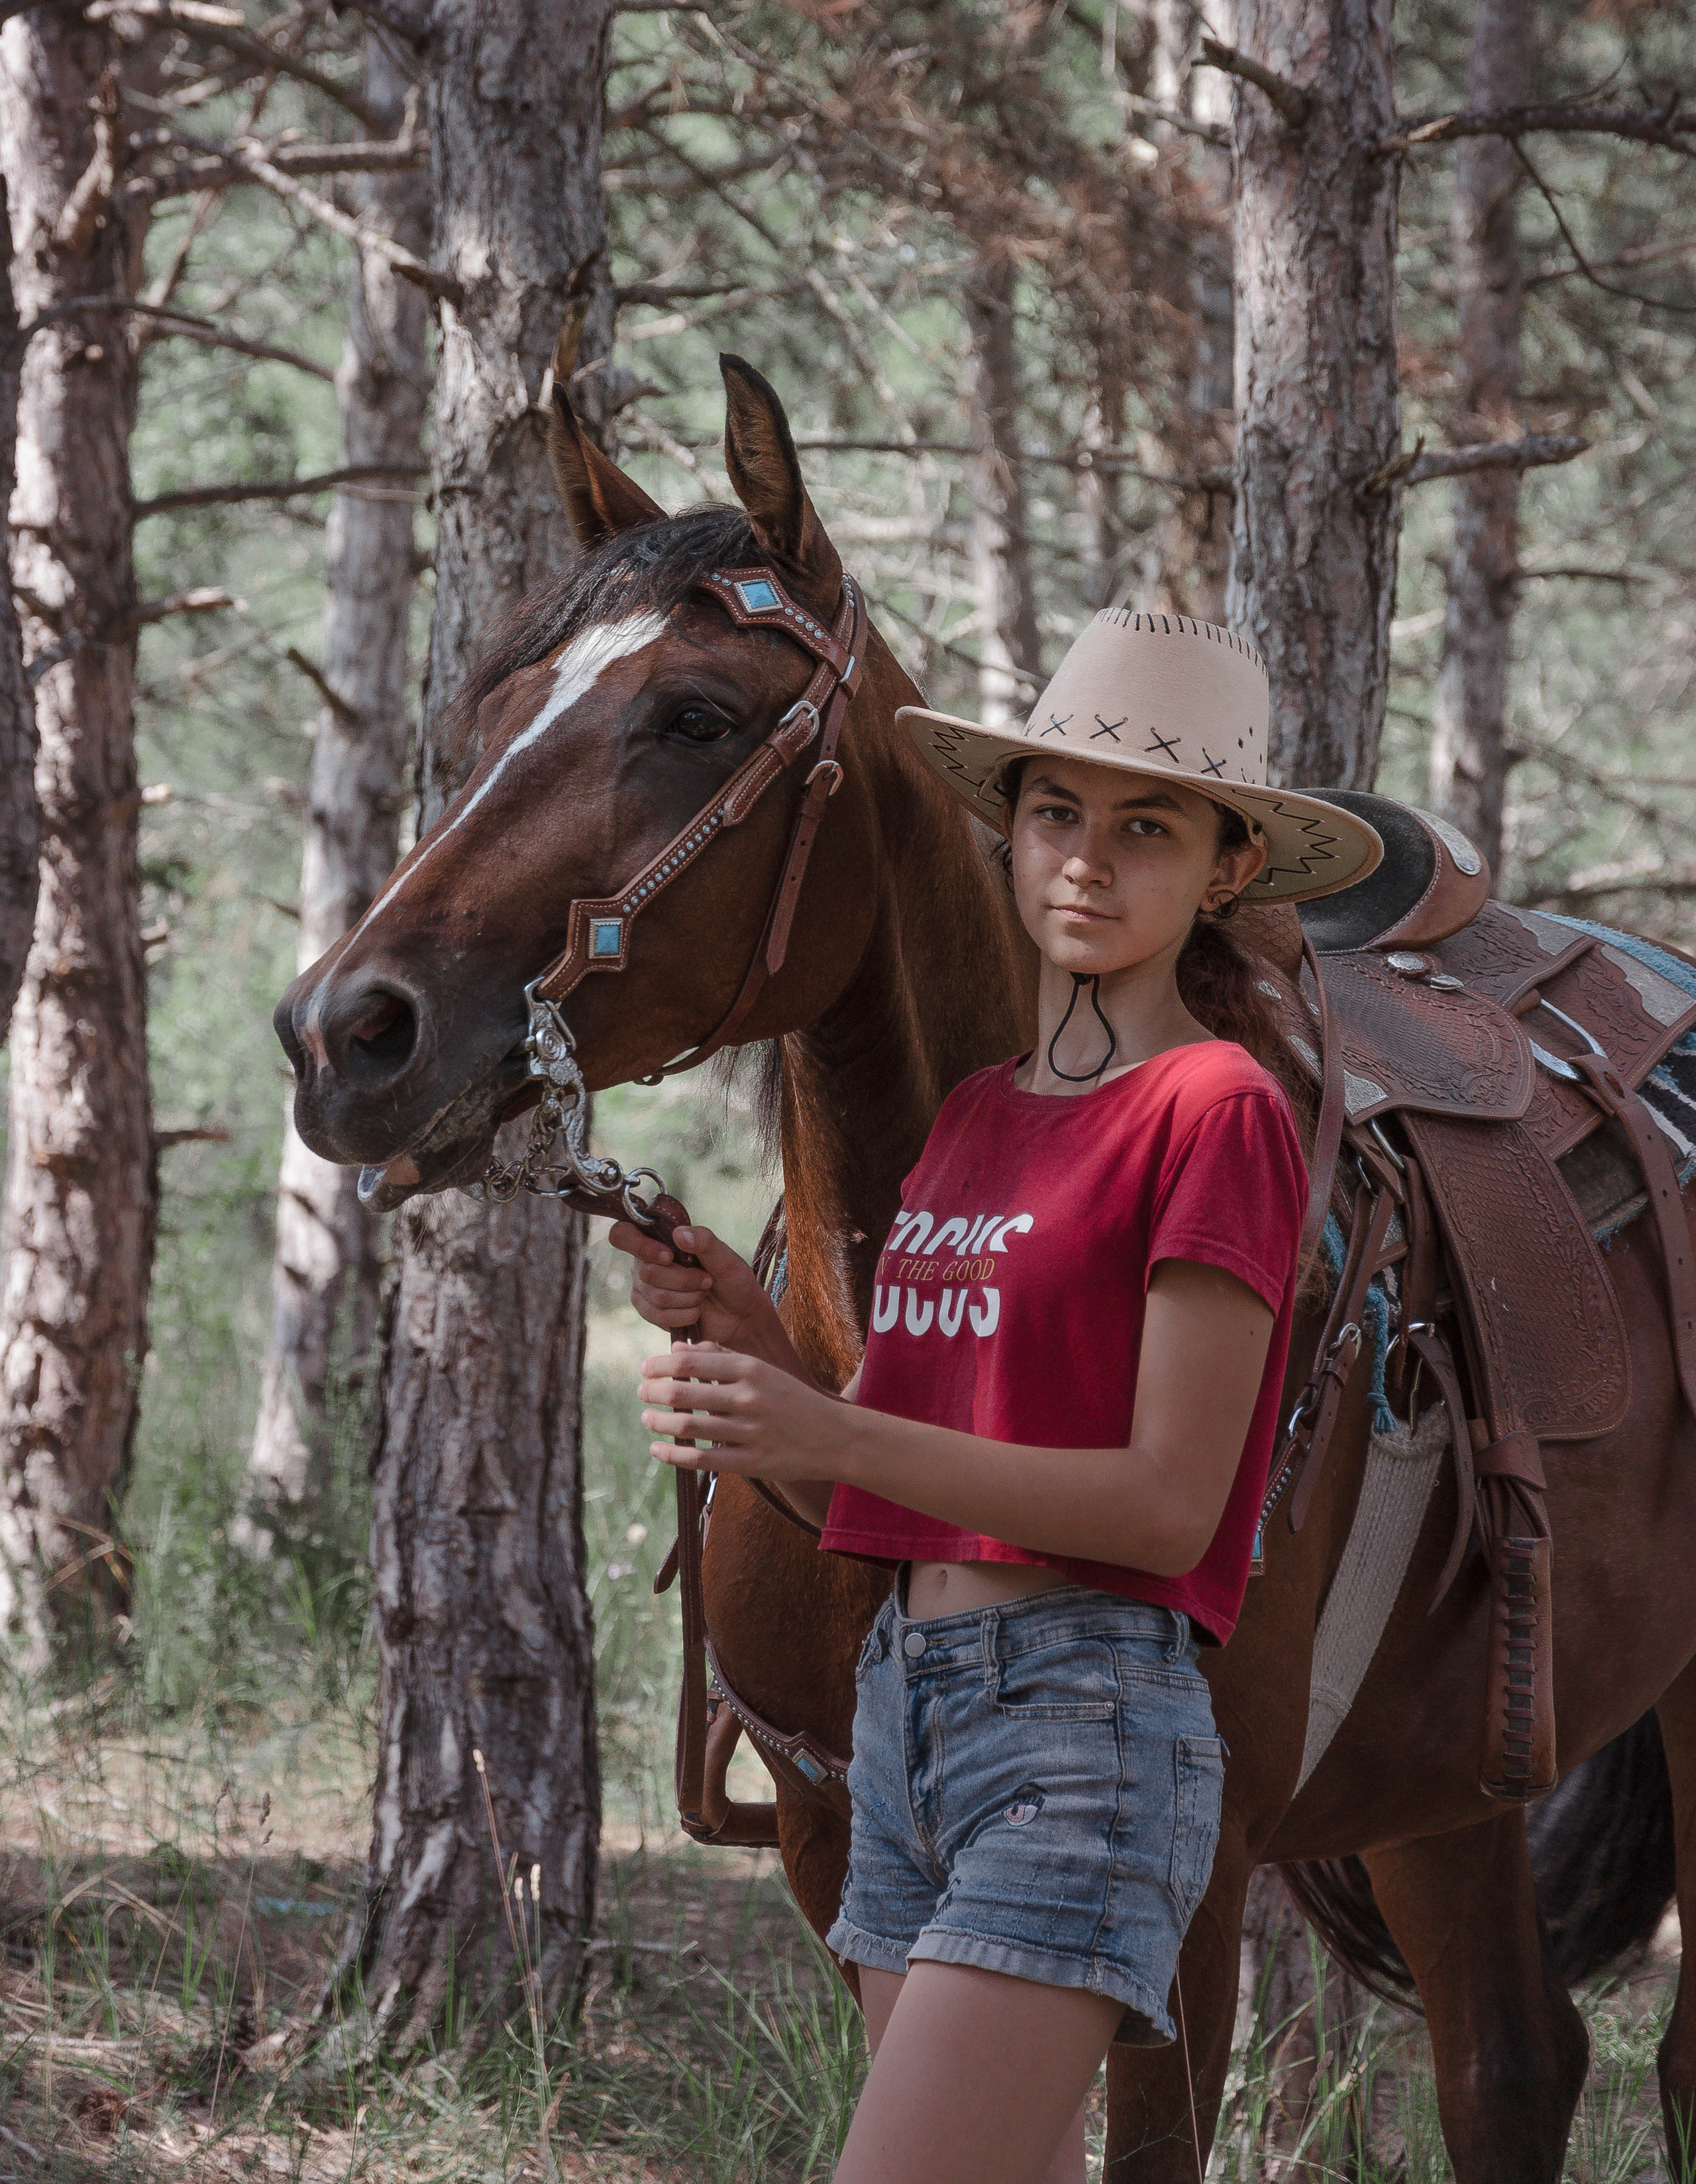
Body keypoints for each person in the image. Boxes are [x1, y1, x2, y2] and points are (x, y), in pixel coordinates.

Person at [610, 612, 1382, 2184]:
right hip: (903, 1723)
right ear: (1005, 832)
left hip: (1080, 1724)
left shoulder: (1214, 1107)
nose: (1082, 864)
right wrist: (758, 1345)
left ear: (1226, 869)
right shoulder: (974, 1119)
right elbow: (876, 1504)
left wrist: (829, 1423)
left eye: (1143, 827)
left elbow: (1168, 1504)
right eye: (1050, 814)